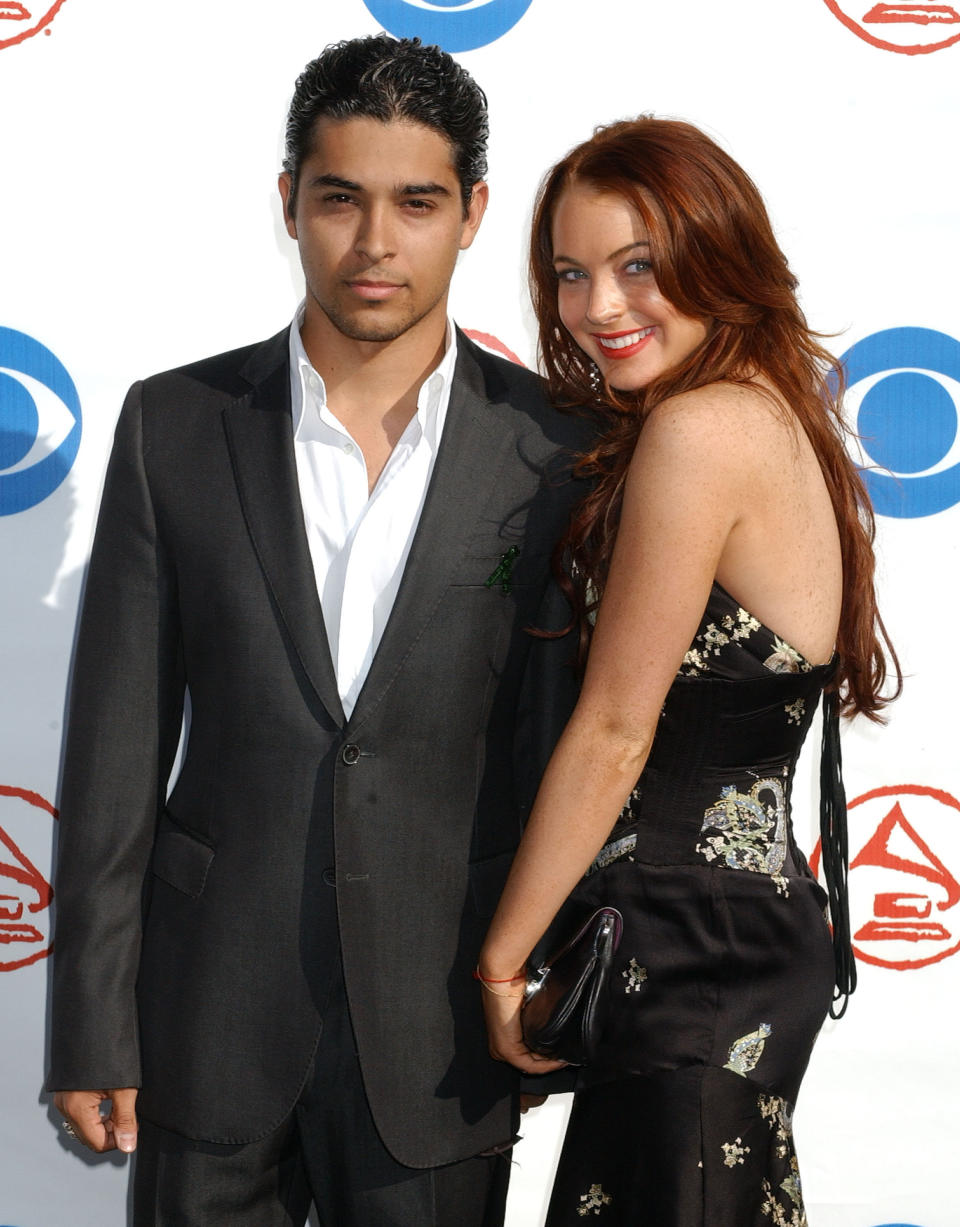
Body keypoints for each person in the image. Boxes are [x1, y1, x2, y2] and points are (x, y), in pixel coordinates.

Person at [46, 35, 588, 1227]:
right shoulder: (175, 425)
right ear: (289, 201)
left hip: (443, 1025)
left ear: (474, 213)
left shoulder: (556, 446)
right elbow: (115, 754)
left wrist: (549, 978)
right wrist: (91, 1021)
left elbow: (572, 744)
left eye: (417, 203)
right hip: (209, 1018)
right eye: (340, 198)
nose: (376, 242)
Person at [477, 118, 900, 1225]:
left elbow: (617, 728)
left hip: (688, 958)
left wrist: (503, 965)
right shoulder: (766, 417)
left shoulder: (702, 433)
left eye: (637, 266)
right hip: (715, 948)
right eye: (571, 274)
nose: (598, 307)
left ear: (720, 252)